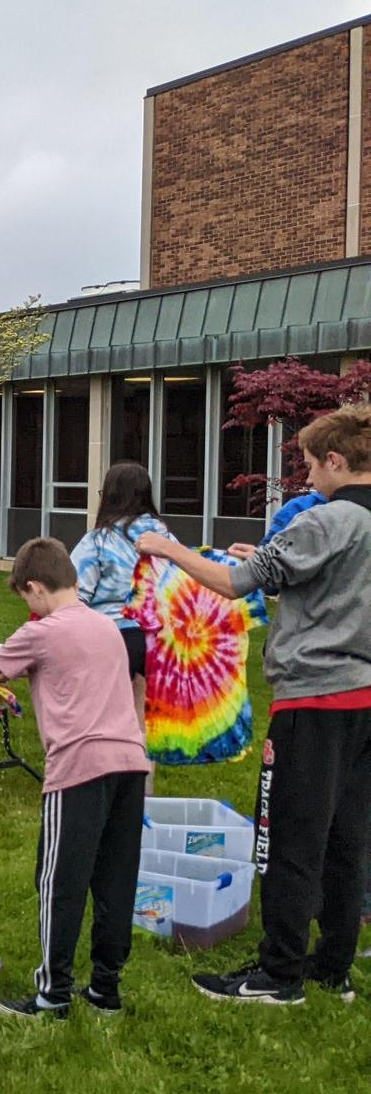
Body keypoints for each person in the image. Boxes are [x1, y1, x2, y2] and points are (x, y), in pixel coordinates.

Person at [137, 404, 371, 1004]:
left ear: (337, 461)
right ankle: (332, 964)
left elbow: (236, 585)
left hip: (314, 701)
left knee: (292, 838)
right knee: (349, 838)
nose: (307, 477)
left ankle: (280, 974)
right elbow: (317, 578)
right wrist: (264, 560)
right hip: (364, 703)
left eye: (311, 464)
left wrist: (169, 548)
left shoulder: (326, 519)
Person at [0, 537, 150, 1020]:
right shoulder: (106, 626)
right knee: (115, 881)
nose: (28, 606)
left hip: (78, 768)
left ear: (35, 588)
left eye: (25, 597)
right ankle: (106, 989)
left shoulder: (39, 632)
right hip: (129, 763)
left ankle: (52, 993)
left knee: (59, 880)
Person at [71, 462, 175, 708]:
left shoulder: (97, 540)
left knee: (107, 713)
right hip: (160, 638)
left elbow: (74, 594)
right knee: (144, 715)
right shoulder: (166, 538)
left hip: (111, 636)